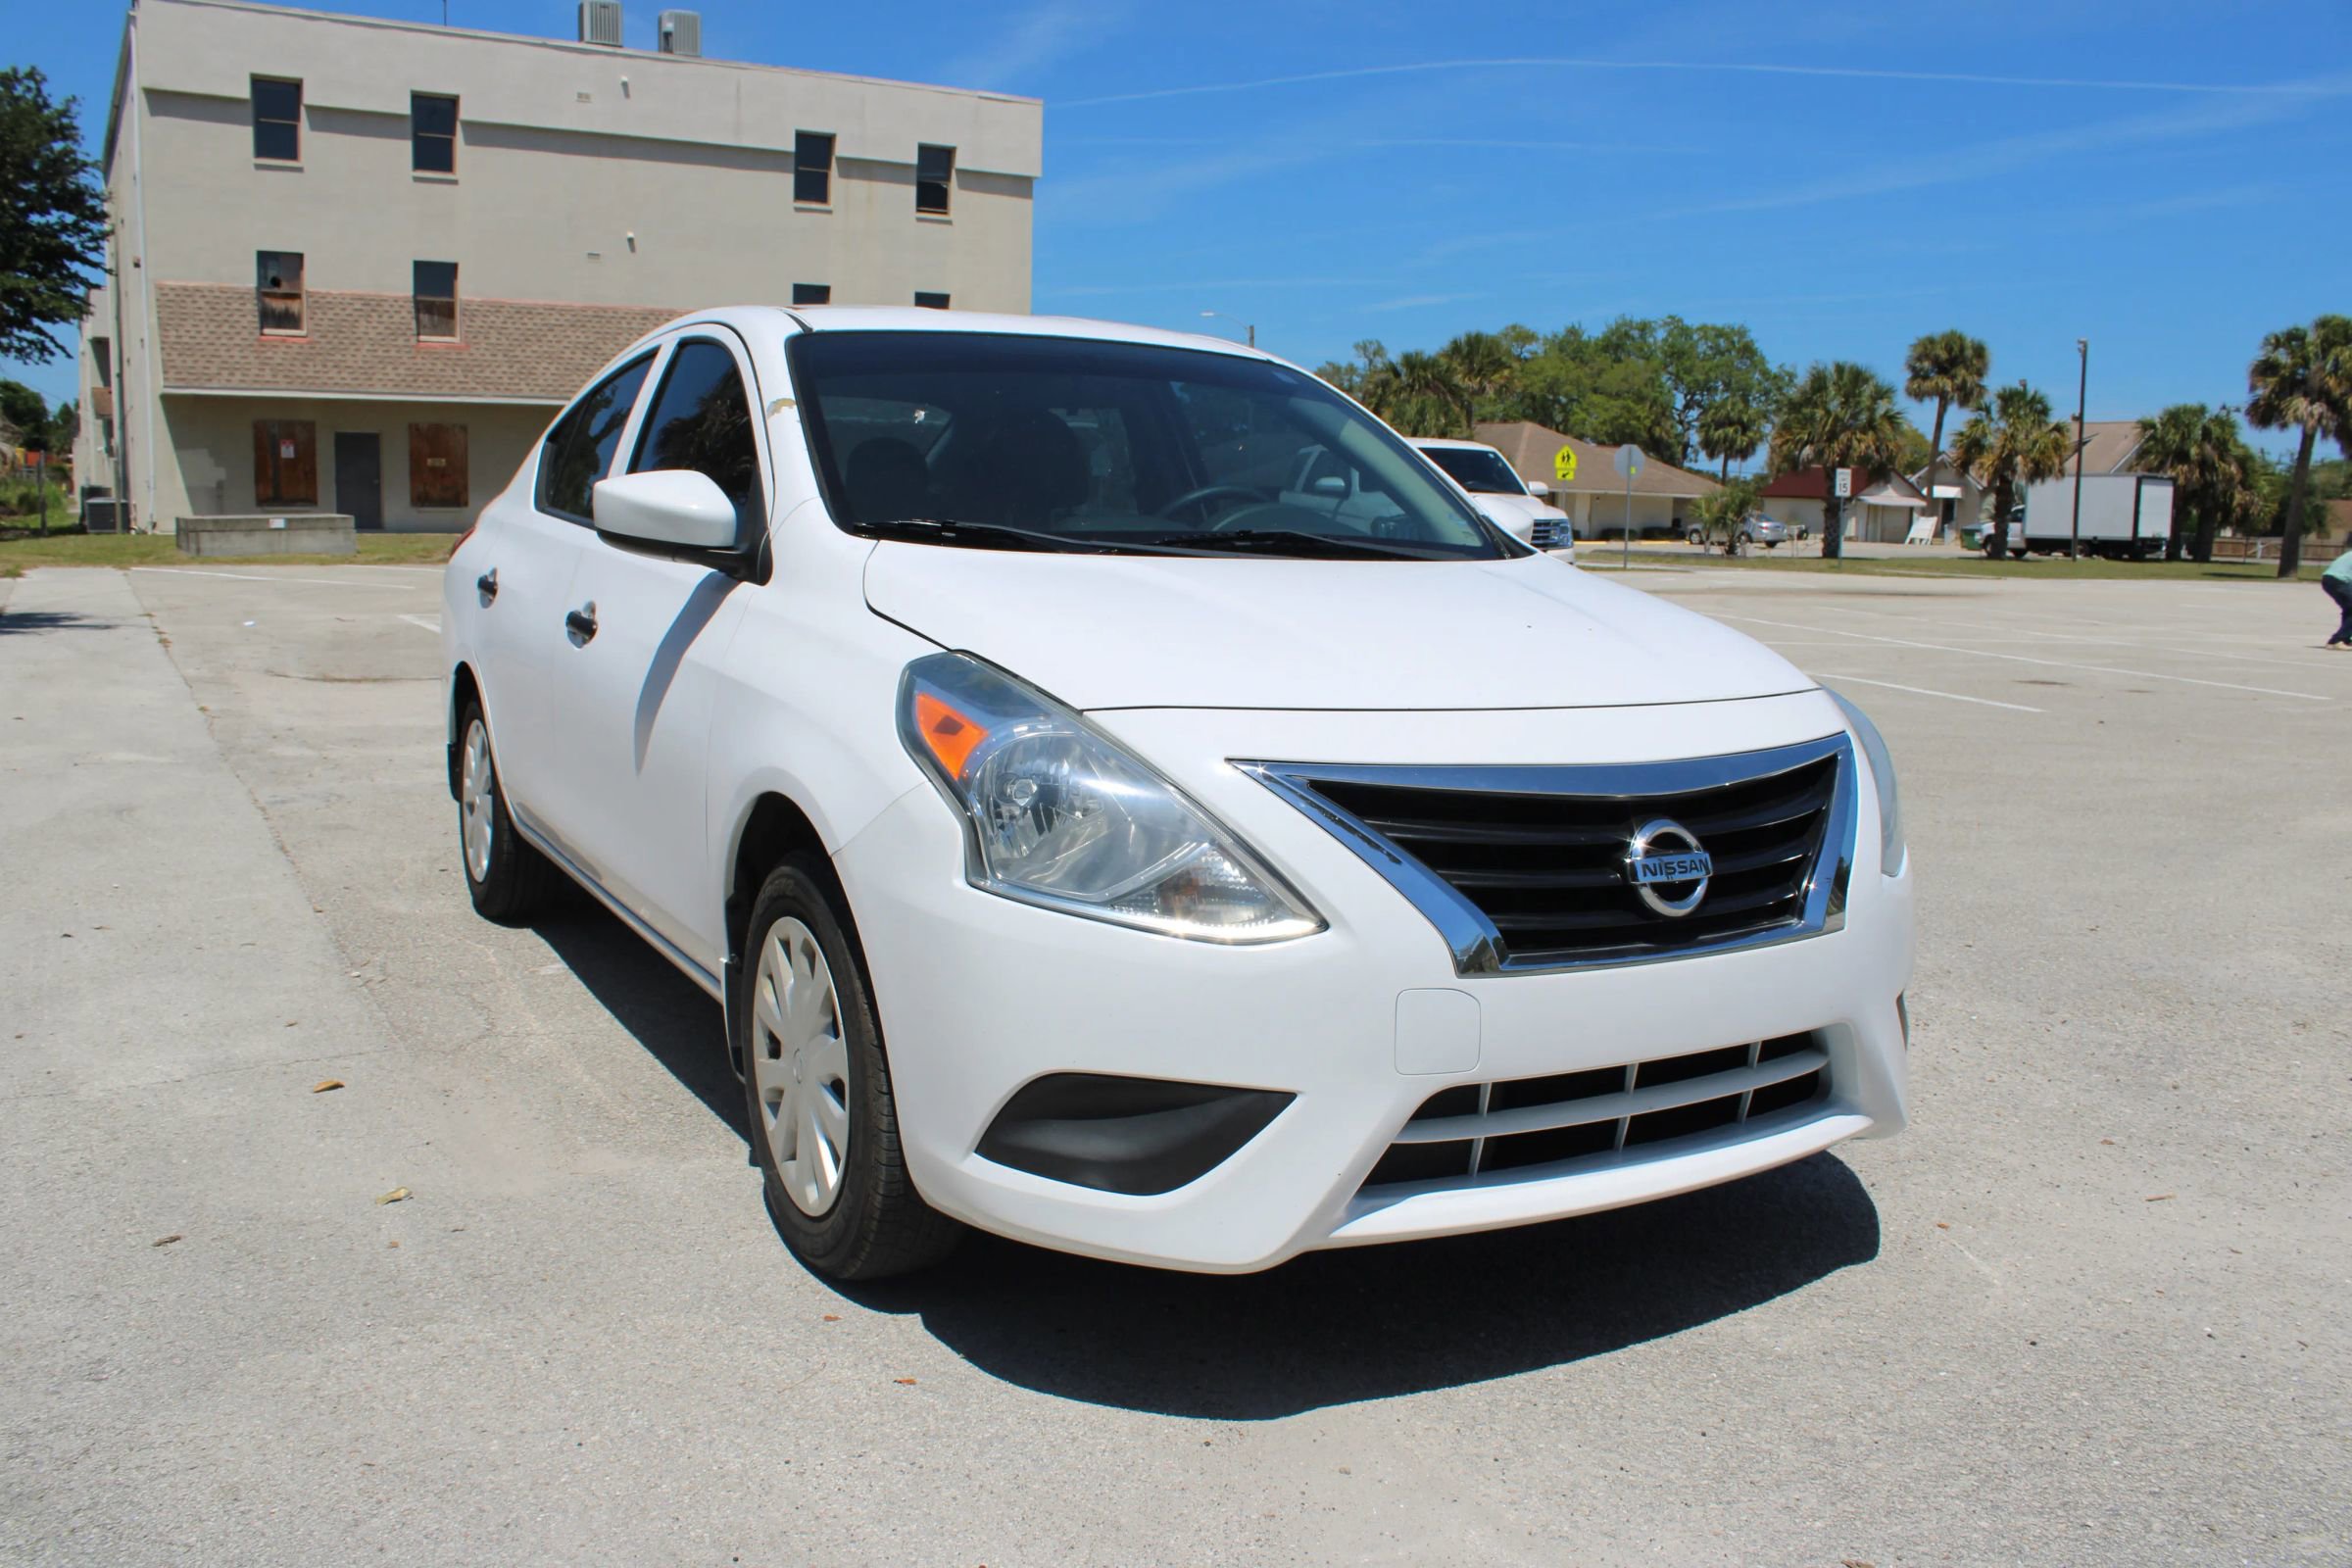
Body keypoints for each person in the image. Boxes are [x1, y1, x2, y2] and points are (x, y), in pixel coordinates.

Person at [2326, 546, 2352, 649]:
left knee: (2349, 609)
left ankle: (2343, 639)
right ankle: (2338, 640)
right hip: (2339, 581)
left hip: (2329, 579)